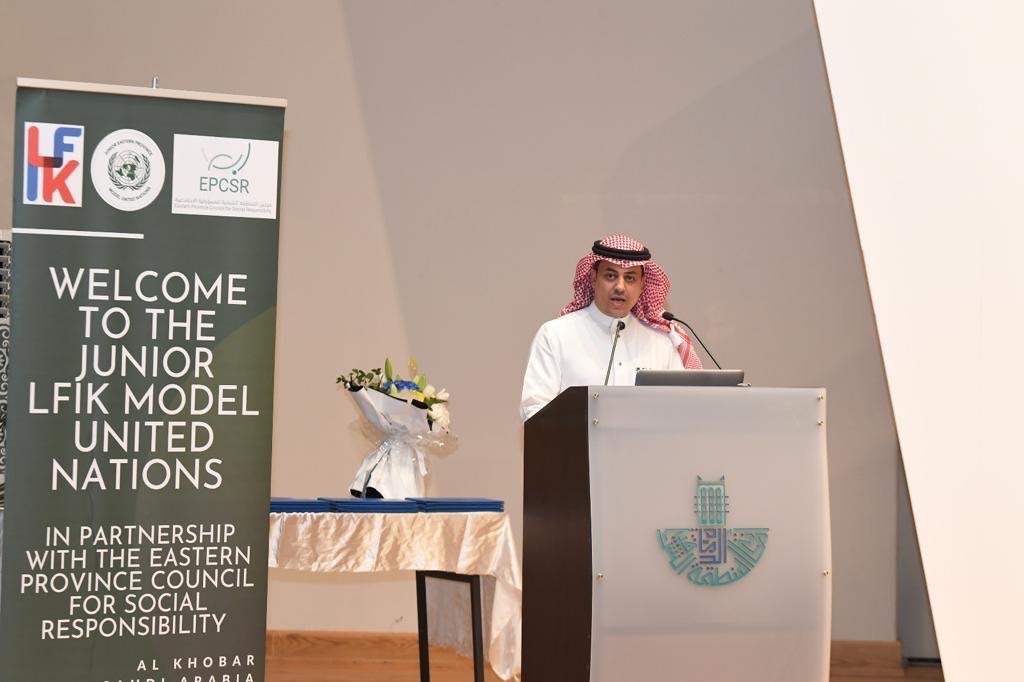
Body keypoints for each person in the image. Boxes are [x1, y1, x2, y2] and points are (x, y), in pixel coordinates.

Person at [520, 234, 702, 421]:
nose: (620, 287)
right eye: (610, 276)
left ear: (642, 284)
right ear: (593, 278)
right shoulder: (556, 335)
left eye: (630, 278)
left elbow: (683, 412)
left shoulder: (661, 343)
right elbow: (534, 411)